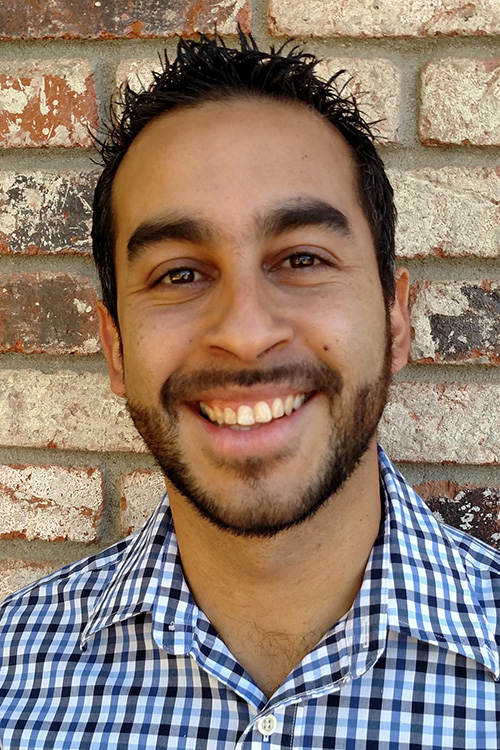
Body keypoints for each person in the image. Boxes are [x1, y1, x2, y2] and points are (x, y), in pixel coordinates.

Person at [0, 33, 499, 750]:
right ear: (115, 348)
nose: (244, 332)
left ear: (395, 320)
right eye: (178, 274)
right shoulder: (13, 677)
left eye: (302, 259)